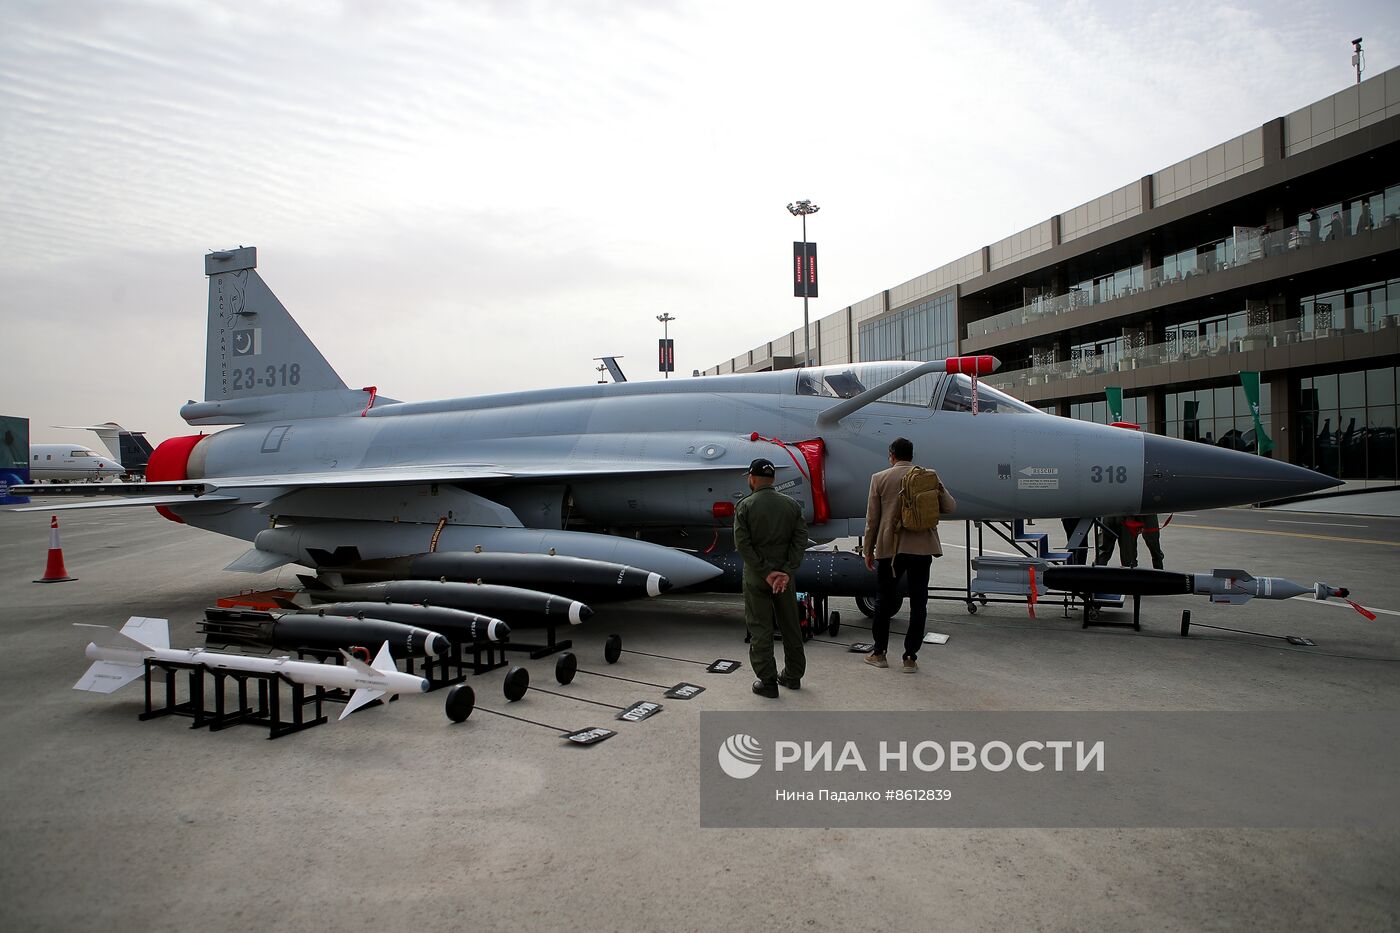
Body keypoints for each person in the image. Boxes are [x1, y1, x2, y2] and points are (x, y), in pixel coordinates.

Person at [863, 438, 956, 673]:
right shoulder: (928, 476)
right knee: (918, 602)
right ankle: (910, 657)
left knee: (883, 600)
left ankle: (879, 653)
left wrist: (868, 550)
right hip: (922, 547)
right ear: (912, 455)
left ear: (891, 455)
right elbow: (950, 507)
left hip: (890, 550)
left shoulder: (879, 478)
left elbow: (872, 520)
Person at [733, 457, 809, 698]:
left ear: (752, 478)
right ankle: (793, 675)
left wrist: (765, 572)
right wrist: (786, 571)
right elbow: (800, 540)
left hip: (757, 578)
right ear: (774, 479)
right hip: (785, 579)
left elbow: (742, 544)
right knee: (791, 626)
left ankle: (768, 682)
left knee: (760, 627)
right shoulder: (791, 505)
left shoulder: (745, 506)